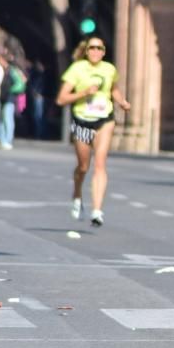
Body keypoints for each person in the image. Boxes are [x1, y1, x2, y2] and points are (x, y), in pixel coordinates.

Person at [56, 36, 131, 227]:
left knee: (100, 164)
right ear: (86, 51)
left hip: (104, 119)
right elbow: (61, 99)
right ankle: (77, 193)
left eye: (100, 48)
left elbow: (114, 89)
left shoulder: (109, 69)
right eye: (92, 48)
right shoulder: (77, 69)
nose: (96, 51)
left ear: (104, 51)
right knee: (83, 167)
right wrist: (83, 93)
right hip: (82, 121)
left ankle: (97, 210)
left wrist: (121, 102)